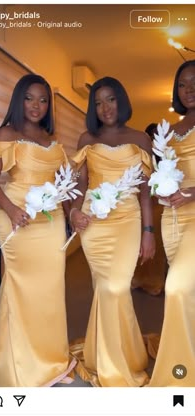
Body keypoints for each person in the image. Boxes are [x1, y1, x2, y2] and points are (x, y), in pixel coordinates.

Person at [0, 74, 76, 387]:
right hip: (15, 219)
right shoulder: (7, 133)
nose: (36, 105)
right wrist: (10, 209)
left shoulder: (53, 140)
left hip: (49, 223)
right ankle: (20, 370)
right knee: (20, 291)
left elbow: (65, 187)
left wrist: (72, 216)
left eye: (43, 99)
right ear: (19, 99)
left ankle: (51, 364)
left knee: (49, 292)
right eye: (29, 98)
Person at [69, 76, 155, 386]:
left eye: (111, 99)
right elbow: (80, 185)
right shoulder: (86, 141)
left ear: (122, 100)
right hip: (94, 222)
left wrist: (148, 231)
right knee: (104, 290)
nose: (105, 107)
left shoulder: (140, 140)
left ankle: (115, 359)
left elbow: (145, 192)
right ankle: (114, 357)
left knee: (115, 288)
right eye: (98, 102)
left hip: (127, 220)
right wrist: (74, 212)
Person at [148, 59, 195, 386]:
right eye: (182, 84)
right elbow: (159, 177)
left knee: (177, 288)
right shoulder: (169, 132)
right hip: (172, 219)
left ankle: (180, 379)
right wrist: (160, 190)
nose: (189, 89)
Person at [131, 122, 167, 296]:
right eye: (151, 136)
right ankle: (138, 277)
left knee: (157, 240)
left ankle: (155, 280)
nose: (153, 139)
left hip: (160, 201)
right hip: (143, 199)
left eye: (156, 135)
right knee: (139, 238)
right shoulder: (141, 153)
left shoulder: (165, 155)